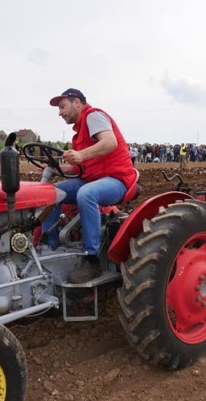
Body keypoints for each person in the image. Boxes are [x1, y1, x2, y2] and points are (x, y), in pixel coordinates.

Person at [43, 88, 135, 283]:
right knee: (52, 193)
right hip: (92, 179)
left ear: (77, 102)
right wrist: (57, 167)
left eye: (62, 106)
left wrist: (81, 155)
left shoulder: (93, 116)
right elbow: (81, 170)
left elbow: (110, 142)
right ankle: (49, 249)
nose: (60, 113)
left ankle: (91, 260)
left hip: (117, 179)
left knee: (86, 194)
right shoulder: (78, 136)